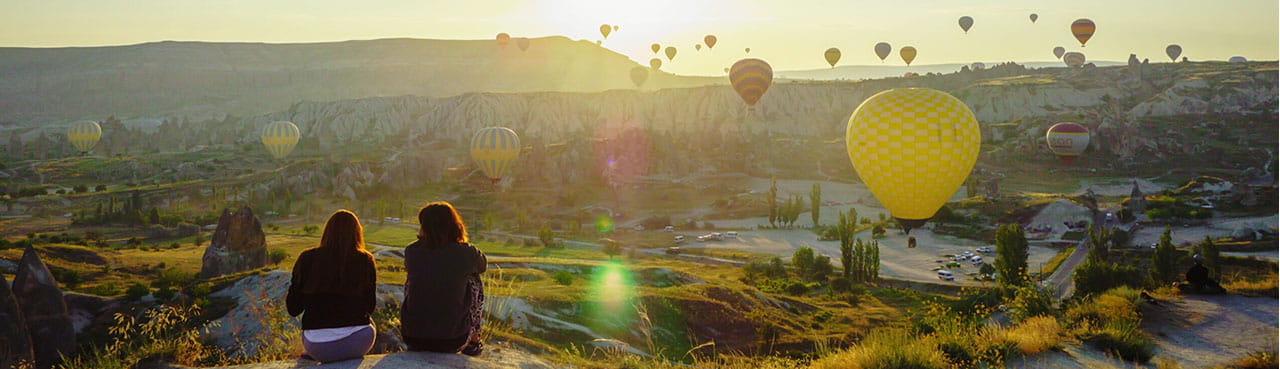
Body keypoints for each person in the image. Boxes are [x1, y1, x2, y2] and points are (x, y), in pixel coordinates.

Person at [286, 210, 378, 363]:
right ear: (357, 233)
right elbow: (369, 307)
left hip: (317, 347)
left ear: (327, 232)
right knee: (369, 321)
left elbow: (293, 309)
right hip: (358, 343)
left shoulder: (307, 258)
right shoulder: (365, 259)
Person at [401, 201, 487, 356]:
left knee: (416, 278)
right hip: (452, 340)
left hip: (412, 338)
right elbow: (482, 266)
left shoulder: (411, 251)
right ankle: (473, 339)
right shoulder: (466, 253)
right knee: (474, 279)